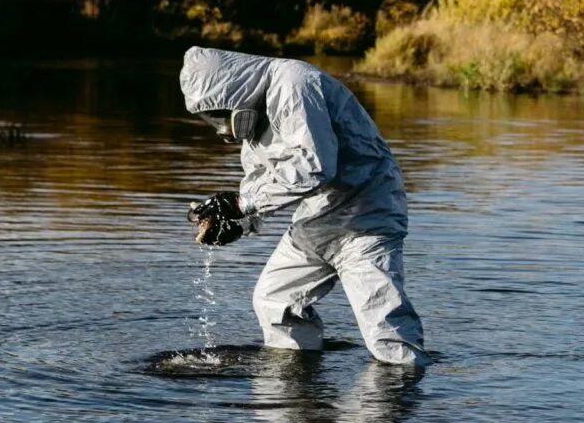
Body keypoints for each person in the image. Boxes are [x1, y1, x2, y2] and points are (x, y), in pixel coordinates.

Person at [179, 46, 428, 366]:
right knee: (275, 301)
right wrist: (236, 222)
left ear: (234, 91)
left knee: (385, 329)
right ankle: (295, 389)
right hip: (318, 218)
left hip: (366, 218)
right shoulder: (257, 114)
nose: (220, 127)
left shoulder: (295, 83)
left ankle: (405, 396)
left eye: (217, 115)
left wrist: (242, 204)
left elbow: (314, 166)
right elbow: (261, 179)